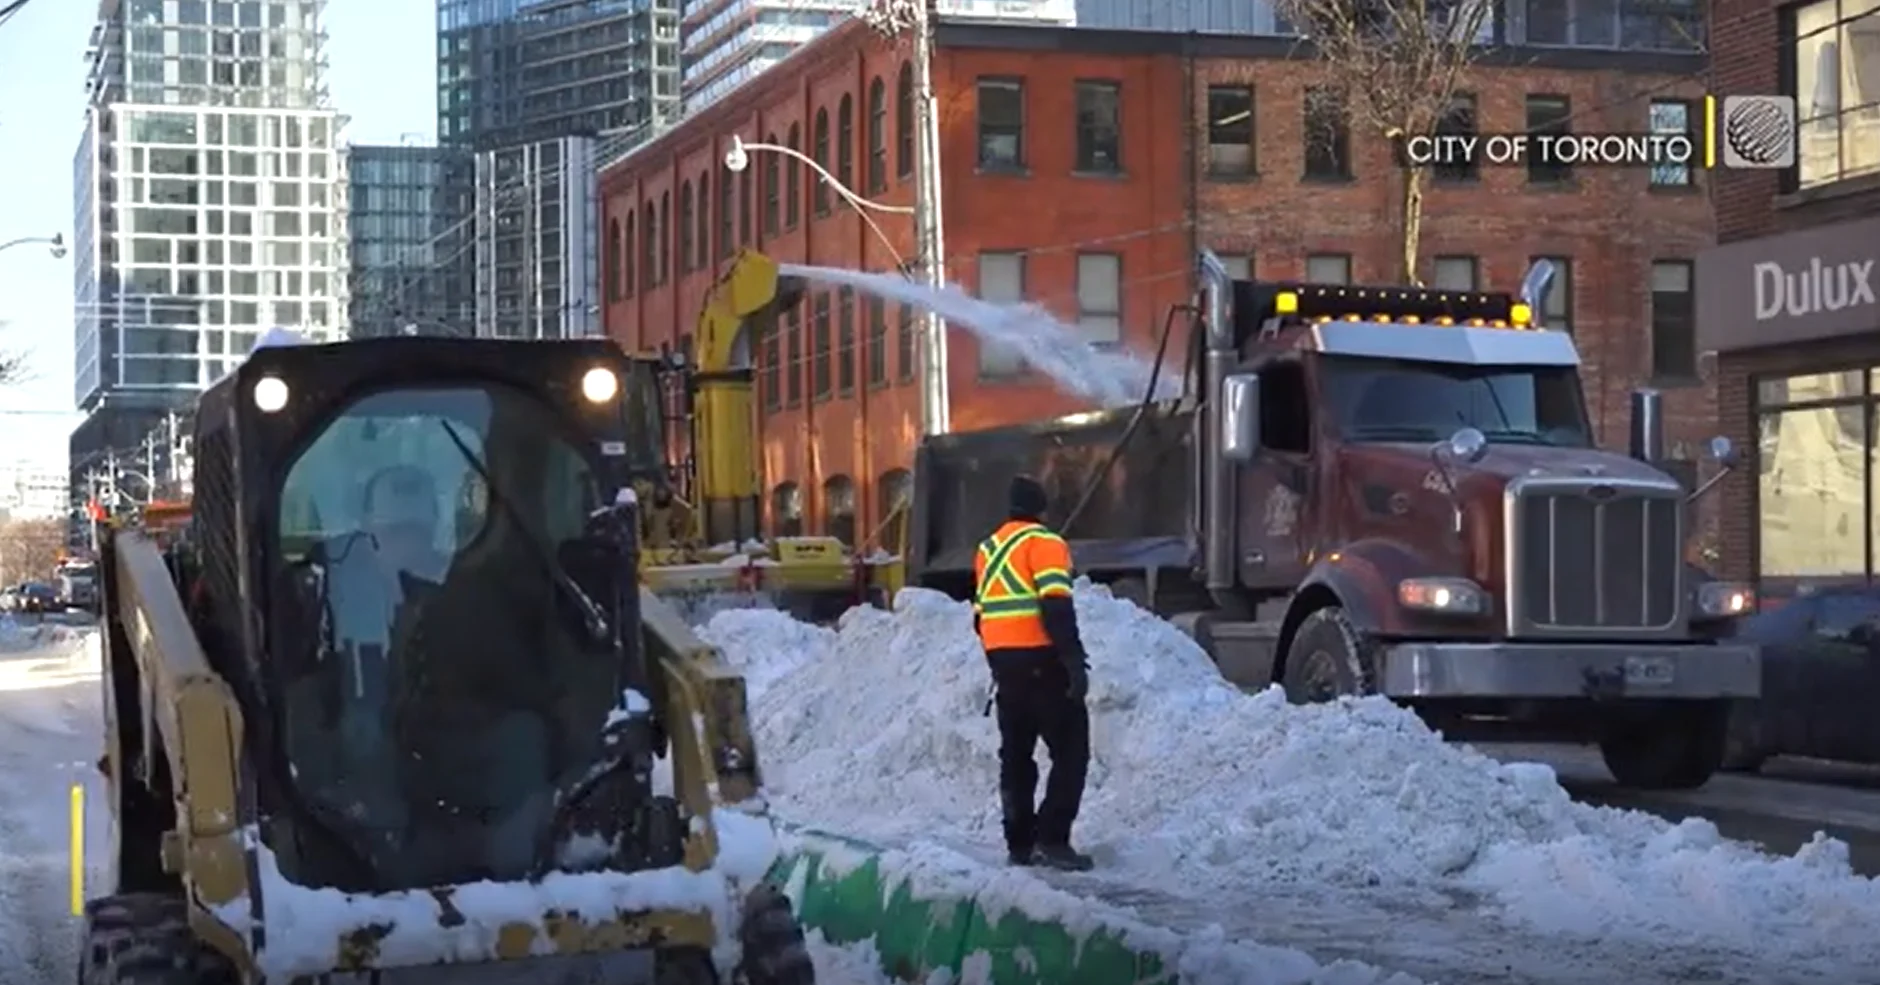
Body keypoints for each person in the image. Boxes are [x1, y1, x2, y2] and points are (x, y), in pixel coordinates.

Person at [973, 475, 1094, 871]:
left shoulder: (988, 549)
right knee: (1071, 750)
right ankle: (1053, 840)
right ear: (1041, 510)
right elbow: (1056, 606)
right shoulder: (1045, 543)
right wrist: (1074, 662)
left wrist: (999, 656)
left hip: (1004, 667)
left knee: (1017, 756)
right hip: (1043, 661)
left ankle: (1020, 844)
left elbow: (980, 616)